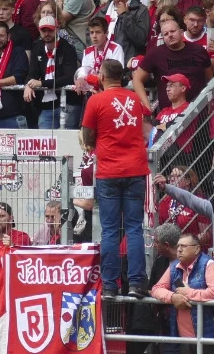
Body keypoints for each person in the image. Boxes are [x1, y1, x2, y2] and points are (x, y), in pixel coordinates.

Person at [81, 58, 150, 296]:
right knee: (134, 229)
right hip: (136, 169)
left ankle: (110, 285)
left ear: (101, 76)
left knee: (110, 230)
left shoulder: (96, 100)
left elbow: (88, 137)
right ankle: (136, 284)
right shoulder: (134, 99)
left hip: (109, 170)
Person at [152, 233, 214, 348]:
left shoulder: (208, 264)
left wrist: (189, 293)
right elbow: (156, 289)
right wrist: (173, 297)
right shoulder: (174, 266)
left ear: (197, 249)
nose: (179, 250)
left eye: (184, 246)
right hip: (180, 337)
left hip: (207, 336)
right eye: (178, 246)